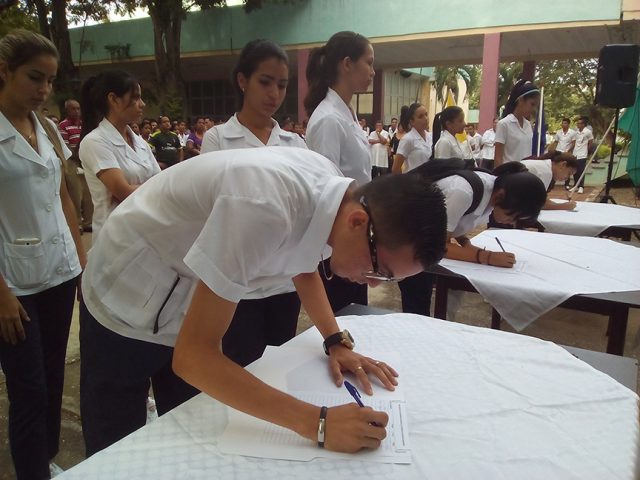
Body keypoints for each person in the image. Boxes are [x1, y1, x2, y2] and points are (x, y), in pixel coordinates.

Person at [79, 146, 448, 456]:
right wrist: (318, 423)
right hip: (125, 293)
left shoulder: (334, 193)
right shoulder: (262, 206)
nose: (370, 282)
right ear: (357, 221)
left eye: (388, 279)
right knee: (117, 443)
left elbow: (302, 262)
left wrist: (335, 340)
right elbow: (194, 357)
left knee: (187, 428)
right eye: (380, 269)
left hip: (185, 291)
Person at [0, 29, 87, 479]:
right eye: (35, 77)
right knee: (29, 388)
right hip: (14, 286)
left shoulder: (48, 127)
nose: (44, 90)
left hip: (58, 273)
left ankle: (46, 460)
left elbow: (64, 196)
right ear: (4, 72)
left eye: (50, 81)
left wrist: (79, 262)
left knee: (53, 379)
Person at [200, 39, 307, 367]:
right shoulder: (218, 139)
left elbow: (304, 211)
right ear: (243, 80)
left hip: (284, 281)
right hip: (238, 284)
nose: (274, 93)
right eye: (265, 82)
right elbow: (215, 208)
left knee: (279, 369)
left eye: (282, 85)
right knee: (241, 369)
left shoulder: (295, 144)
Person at [397, 162, 547, 315]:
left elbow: (454, 221)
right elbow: (438, 246)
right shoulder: (463, 192)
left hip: (419, 239)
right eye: (513, 216)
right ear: (501, 195)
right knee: (417, 302)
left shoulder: (491, 192)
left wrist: (466, 243)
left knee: (423, 295)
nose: (512, 222)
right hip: (404, 239)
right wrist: (488, 257)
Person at [304, 31, 375, 313]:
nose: (372, 71)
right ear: (347, 63)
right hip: (337, 244)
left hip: (354, 233)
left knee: (358, 318)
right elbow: (325, 191)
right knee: (345, 321)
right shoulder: (328, 119)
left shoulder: (346, 114)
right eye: (368, 63)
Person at [78, 70, 160, 241]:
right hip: (116, 237)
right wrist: (153, 188)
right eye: (135, 98)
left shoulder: (140, 142)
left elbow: (161, 181)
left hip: (146, 231)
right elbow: (124, 192)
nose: (142, 104)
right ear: (113, 99)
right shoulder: (95, 141)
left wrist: (139, 188)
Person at [58, 98, 94, 233]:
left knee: (88, 192)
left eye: (78, 108)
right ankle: (77, 223)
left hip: (85, 159)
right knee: (75, 193)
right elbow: (65, 146)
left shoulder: (83, 124)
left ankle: (88, 222)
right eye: (73, 109)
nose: (77, 111)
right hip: (71, 160)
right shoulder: (63, 126)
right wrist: (78, 156)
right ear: (67, 110)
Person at [494, 80, 540, 167]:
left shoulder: (528, 125)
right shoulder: (504, 124)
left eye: (535, 106)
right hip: (509, 175)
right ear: (521, 100)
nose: (533, 109)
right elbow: (498, 158)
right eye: (532, 104)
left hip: (525, 173)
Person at [392, 102, 432, 174]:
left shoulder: (431, 137)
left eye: (426, 114)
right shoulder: (408, 139)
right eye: (420, 116)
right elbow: (395, 168)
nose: (425, 118)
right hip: (414, 182)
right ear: (412, 122)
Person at [565, 116, 593, 194]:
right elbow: (574, 142)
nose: (577, 125)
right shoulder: (576, 132)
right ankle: (576, 185)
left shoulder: (588, 132)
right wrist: (569, 150)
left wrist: (587, 151)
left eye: (579, 123)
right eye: (577, 123)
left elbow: (591, 142)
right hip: (575, 153)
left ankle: (581, 186)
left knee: (581, 170)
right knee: (575, 170)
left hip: (582, 154)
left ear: (583, 124)